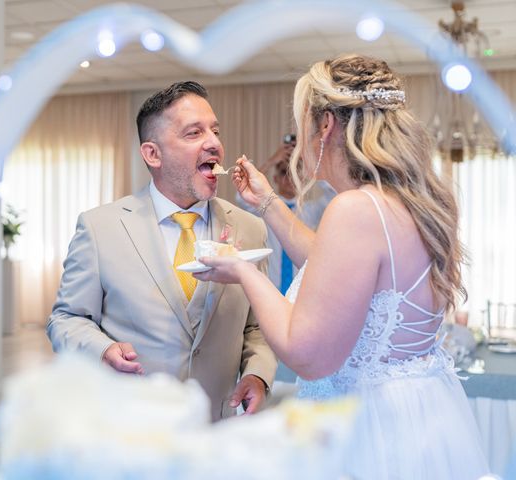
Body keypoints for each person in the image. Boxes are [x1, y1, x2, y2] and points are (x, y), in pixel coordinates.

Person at [194, 55, 490, 478]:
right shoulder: (413, 202)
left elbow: (307, 354)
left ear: (326, 125)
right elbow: (334, 268)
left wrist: (241, 270)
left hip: (367, 432)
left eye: (304, 124)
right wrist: (267, 203)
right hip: (419, 420)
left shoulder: (355, 209)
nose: (302, 137)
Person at [46, 81, 277, 421]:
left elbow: (258, 326)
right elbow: (66, 319)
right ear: (152, 154)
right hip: (130, 427)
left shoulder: (250, 227)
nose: (214, 143)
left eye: (215, 131)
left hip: (218, 428)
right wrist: (103, 349)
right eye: (193, 133)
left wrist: (258, 374)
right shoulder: (100, 228)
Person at [236, 139, 335, 294]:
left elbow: (333, 194)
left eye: (294, 172)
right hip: (269, 288)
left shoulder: (310, 210)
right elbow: (242, 195)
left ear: (301, 178)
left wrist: (311, 163)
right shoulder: (263, 207)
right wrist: (272, 160)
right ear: (275, 178)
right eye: (284, 172)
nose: (289, 178)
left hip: (302, 290)